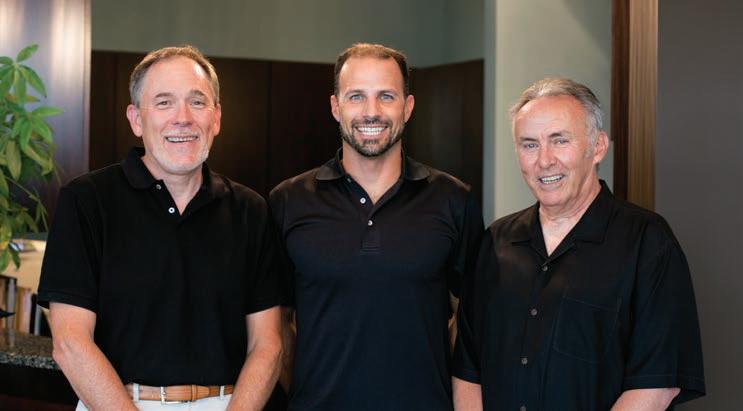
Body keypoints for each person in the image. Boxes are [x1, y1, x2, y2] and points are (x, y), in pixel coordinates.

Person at [38, 45, 282, 411]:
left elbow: (268, 345)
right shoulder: (86, 201)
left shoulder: (251, 210)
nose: (183, 118)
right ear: (136, 119)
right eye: (164, 103)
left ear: (216, 118)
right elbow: (70, 343)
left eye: (197, 102)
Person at [453, 78, 706, 410]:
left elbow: (657, 384)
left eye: (559, 140)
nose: (544, 160)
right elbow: (468, 371)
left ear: (598, 146)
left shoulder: (648, 242)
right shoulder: (495, 243)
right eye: (529, 145)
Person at [269, 43, 483, 410]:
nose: (372, 111)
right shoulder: (287, 202)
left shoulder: (454, 200)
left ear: (408, 107)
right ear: (335, 107)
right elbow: (276, 326)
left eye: (386, 96)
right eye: (356, 97)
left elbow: (467, 320)